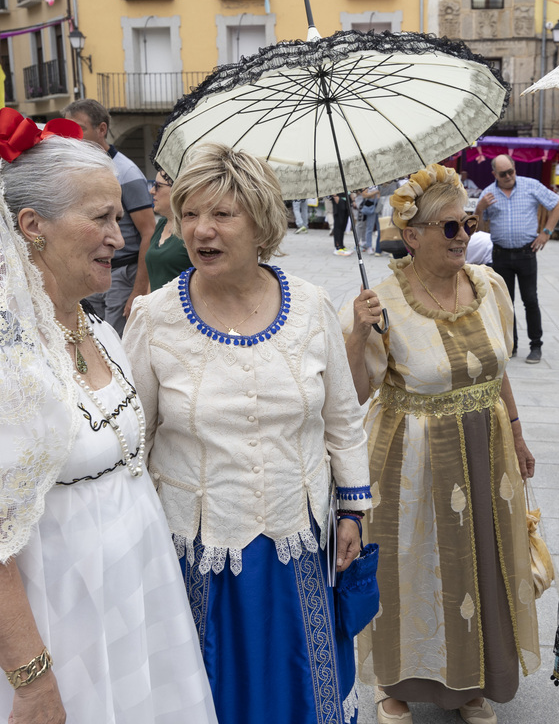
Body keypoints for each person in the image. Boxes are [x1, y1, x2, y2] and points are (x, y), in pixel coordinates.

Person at [0, 113, 217, 723]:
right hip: (55, 619)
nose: (119, 238)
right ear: (32, 227)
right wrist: (33, 682)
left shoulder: (95, 327)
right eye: (99, 218)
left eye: (117, 217)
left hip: (126, 602)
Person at [123, 143, 371, 724]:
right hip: (199, 552)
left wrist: (355, 513)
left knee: (303, 693)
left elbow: (342, 420)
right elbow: (131, 438)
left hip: (301, 543)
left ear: (261, 223)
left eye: (221, 215)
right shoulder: (154, 319)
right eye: (188, 214)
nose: (200, 230)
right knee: (208, 694)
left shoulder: (311, 306)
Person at [344, 165, 541, 724]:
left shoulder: (491, 286)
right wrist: (359, 334)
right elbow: (357, 393)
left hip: (486, 449)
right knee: (412, 566)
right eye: (449, 227)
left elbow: (499, 370)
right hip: (410, 458)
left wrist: (519, 433)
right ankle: (395, 684)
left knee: (479, 559)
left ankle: (469, 682)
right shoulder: (382, 301)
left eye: (467, 223)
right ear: (412, 235)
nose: (463, 236)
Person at [64, 99, 154, 333]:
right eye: (68, 128)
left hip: (123, 273)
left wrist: (138, 290)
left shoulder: (126, 173)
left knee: (116, 341)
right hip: (91, 269)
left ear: (101, 129)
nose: (72, 135)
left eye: (79, 128)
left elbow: (148, 231)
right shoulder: (79, 170)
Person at [476, 154, 559, 363]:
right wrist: (480, 208)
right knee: (505, 303)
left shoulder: (530, 185)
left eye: (510, 172)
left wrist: (546, 232)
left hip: (526, 253)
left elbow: (558, 203)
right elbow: (477, 227)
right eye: (503, 174)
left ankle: (536, 345)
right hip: (500, 255)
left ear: (514, 168)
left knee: (530, 300)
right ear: (494, 174)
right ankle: (510, 345)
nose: (508, 177)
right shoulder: (488, 193)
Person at [143, 167, 191, 290]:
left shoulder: (189, 228)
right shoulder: (162, 223)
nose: (152, 191)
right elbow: (152, 277)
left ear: (176, 190)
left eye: (158, 186)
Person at [356, 184, 380, 254]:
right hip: (371, 205)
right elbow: (364, 195)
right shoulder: (367, 184)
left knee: (380, 228)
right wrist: (375, 192)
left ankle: (379, 247)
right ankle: (369, 246)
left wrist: (375, 194)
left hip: (378, 203)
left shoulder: (379, 183)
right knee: (369, 227)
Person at [331, 189, 354, 255]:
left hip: (346, 199)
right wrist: (335, 196)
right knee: (338, 224)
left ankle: (341, 245)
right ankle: (338, 246)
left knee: (343, 224)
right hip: (339, 198)